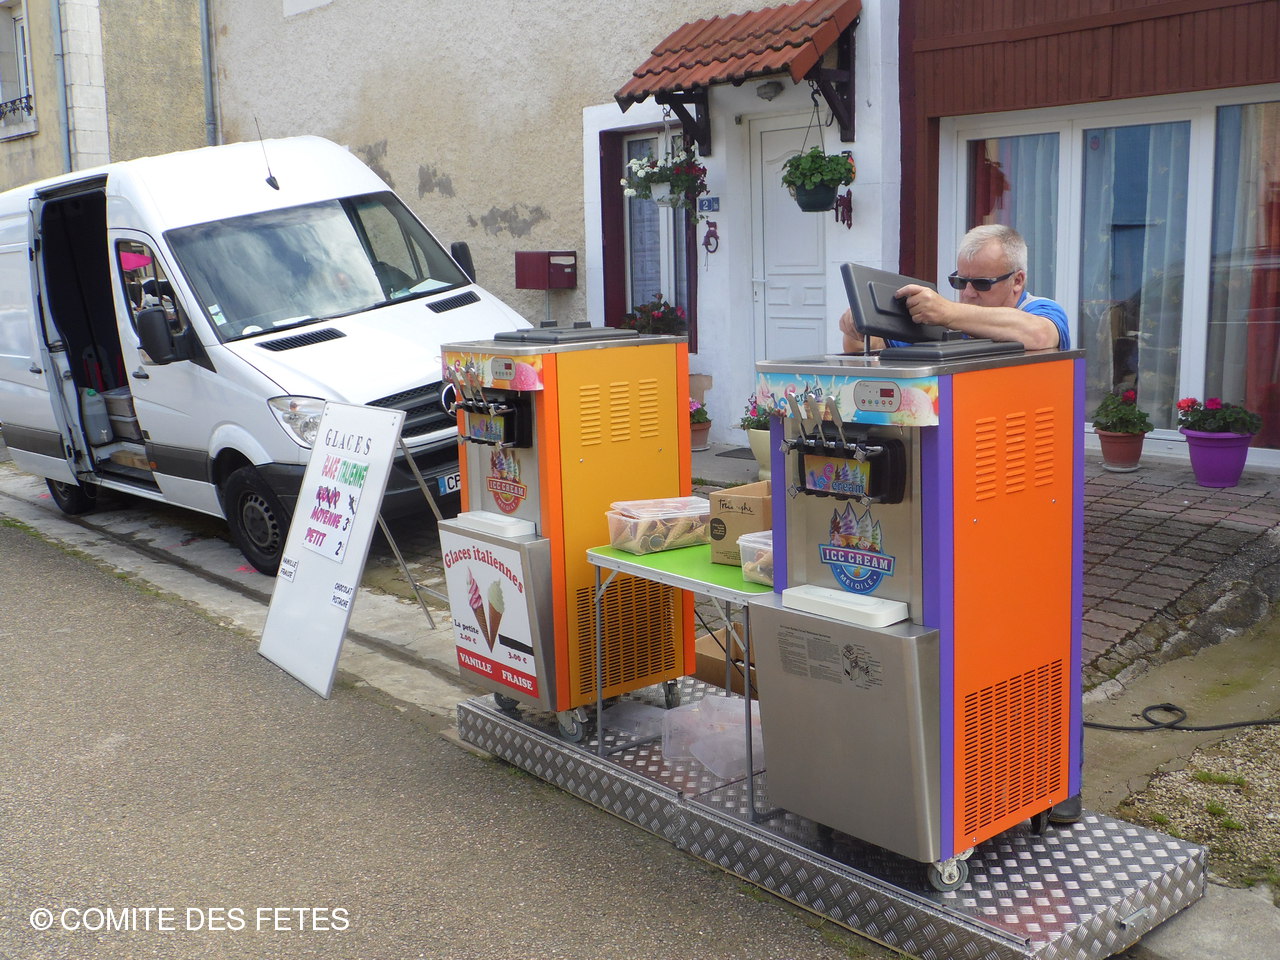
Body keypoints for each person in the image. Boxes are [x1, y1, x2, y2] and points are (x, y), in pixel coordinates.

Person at [839, 224, 1071, 353]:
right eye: (960, 282)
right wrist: (859, 323)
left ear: (1017, 281)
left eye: (982, 283)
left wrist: (947, 312)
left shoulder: (1042, 309)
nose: (968, 293)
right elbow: (865, 348)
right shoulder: (946, 321)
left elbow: (1039, 335)